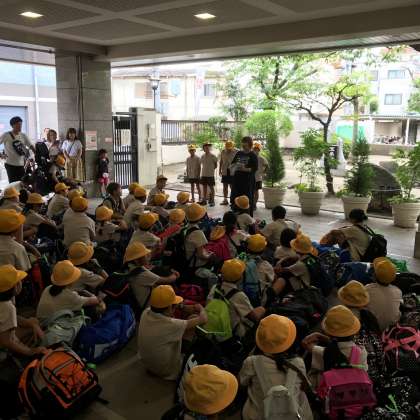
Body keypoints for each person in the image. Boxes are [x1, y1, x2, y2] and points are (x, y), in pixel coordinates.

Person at [240, 315, 313, 420]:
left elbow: (243, 382)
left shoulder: (251, 362)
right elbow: (305, 387)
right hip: (295, 415)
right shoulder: (298, 363)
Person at [0, 265, 46, 419]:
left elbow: (13, 320)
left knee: (33, 322)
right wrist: (31, 351)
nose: (21, 283)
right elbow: (7, 341)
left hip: (5, 338)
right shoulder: (7, 307)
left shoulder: (5, 302)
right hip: (3, 353)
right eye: (18, 281)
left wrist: (31, 323)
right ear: (13, 288)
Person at [138, 285, 208, 380]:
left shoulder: (145, 312)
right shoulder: (172, 325)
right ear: (169, 308)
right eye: (173, 306)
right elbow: (203, 319)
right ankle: (185, 356)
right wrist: (200, 308)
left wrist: (181, 307)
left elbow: (166, 312)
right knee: (193, 319)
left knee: (179, 324)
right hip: (166, 371)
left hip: (147, 364)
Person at [302, 305, 368, 387]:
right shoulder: (361, 352)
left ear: (328, 332)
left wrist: (319, 336)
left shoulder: (322, 352)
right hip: (355, 392)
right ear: (354, 332)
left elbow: (305, 343)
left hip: (329, 392)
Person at [207, 259, 266, 339]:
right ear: (240, 278)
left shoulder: (214, 288)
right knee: (261, 309)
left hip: (213, 328)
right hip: (232, 333)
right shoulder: (238, 295)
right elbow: (254, 318)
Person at [123, 242, 178, 311]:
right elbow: (167, 280)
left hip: (137, 304)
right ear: (136, 260)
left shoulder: (129, 268)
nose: (147, 256)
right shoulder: (142, 273)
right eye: (144, 255)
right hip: (147, 308)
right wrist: (175, 275)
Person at [366, 257, 402, 331]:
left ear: (375, 275)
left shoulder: (368, 289)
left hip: (373, 328)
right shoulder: (398, 291)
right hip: (391, 329)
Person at [0, 116, 35, 182]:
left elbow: (31, 146)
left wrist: (37, 153)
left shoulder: (23, 135)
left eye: (21, 124)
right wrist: (1, 155)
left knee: (22, 183)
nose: (20, 126)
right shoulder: (6, 135)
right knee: (13, 184)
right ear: (12, 125)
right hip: (10, 164)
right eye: (18, 124)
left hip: (21, 164)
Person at [230, 136, 258, 217]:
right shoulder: (239, 153)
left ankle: (248, 217)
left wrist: (245, 169)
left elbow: (255, 168)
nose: (243, 147)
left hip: (247, 182)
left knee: (247, 199)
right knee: (236, 198)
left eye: (245, 145)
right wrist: (234, 166)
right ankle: (236, 217)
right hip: (237, 180)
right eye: (242, 145)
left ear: (250, 145)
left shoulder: (253, 155)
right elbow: (233, 163)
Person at [185, 204, 213, 269]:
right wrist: (210, 256)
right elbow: (201, 255)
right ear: (200, 217)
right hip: (196, 263)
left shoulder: (186, 227)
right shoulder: (197, 233)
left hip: (188, 257)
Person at [219, 140, 237, 205]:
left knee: (232, 187)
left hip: (232, 171)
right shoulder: (223, 152)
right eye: (227, 148)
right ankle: (225, 200)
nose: (228, 149)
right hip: (225, 171)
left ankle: (233, 200)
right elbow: (221, 161)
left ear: (233, 146)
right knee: (225, 186)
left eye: (230, 148)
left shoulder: (236, 152)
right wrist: (219, 170)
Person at [253, 142, 268, 211]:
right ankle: (251, 204)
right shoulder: (250, 157)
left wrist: (263, 172)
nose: (255, 150)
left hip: (258, 178)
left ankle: (254, 204)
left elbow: (267, 165)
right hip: (250, 178)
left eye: (257, 149)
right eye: (254, 149)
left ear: (259, 150)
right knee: (251, 192)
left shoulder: (261, 158)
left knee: (256, 191)